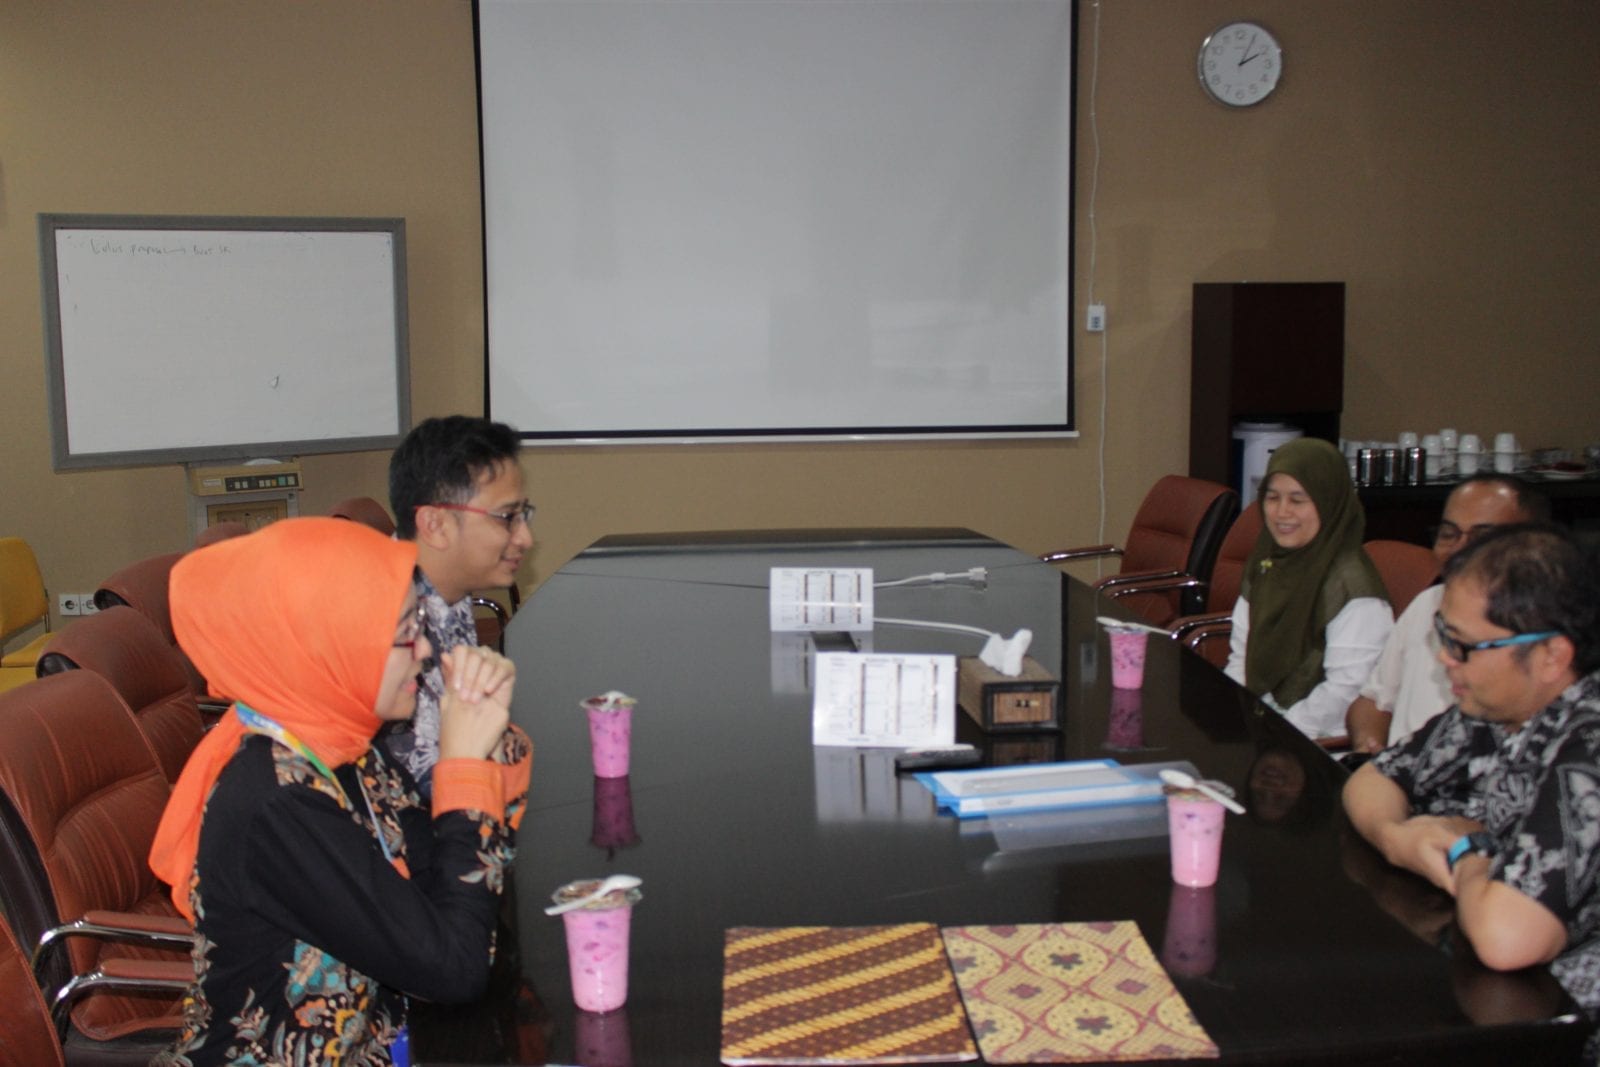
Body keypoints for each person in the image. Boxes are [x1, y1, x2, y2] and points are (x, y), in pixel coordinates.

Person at [148, 518, 532, 1066]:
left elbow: (442, 888)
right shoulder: (277, 801)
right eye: (405, 631)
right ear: (329, 645)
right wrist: (464, 769)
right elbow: (455, 969)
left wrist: (483, 746)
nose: (425, 648)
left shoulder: (344, 745)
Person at [1342, 525, 1600, 1036]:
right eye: (1444, 634)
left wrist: (1468, 848)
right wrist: (1397, 838)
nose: (1445, 658)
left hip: (1567, 1027)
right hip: (1490, 986)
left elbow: (1508, 940)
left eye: (1463, 645)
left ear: (1551, 655)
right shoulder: (1494, 708)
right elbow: (1371, 781)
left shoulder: (1589, 745)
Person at [384, 415, 534, 795]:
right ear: (434, 525)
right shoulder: (388, 632)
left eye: (524, 515)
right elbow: (422, 795)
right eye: (507, 518)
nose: (525, 538)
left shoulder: (447, 590)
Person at [1345, 474, 1549, 753]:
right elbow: (1373, 700)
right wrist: (1370, 749)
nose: (1459, 549)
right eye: (1449, 534)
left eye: (1482, 537)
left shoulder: (1542, 635)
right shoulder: (1427, 603)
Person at [1224, 437, 1393, 740]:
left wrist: (1277, 732)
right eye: (1272, 498)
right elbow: (1241, 656)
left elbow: (1346, 689)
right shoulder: (1268, 562)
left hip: (1320, 740)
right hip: (1264, 724)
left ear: (1329, 503)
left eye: (1297, 500)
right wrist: (1240, 715)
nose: (1281, 512)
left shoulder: (1352, 587)